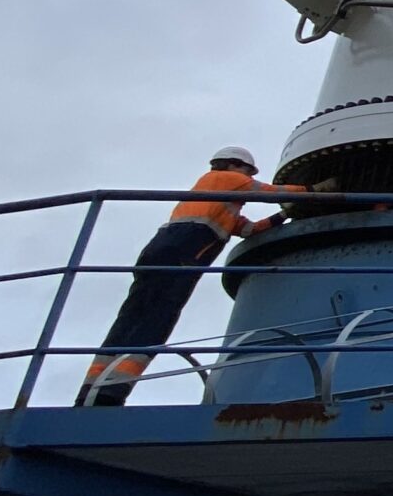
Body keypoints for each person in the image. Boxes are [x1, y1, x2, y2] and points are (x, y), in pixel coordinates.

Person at [79, 147, 310, 407]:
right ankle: (111, 394)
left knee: (132, 317)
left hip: (161, 249)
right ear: (234, 165)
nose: (248, 176)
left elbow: (248, 229)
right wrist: (312, 192)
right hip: (184, 251)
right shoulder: (227, 179)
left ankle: (90, 392)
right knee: (157, 320)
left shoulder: (216, 200)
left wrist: (284, 215)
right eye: (248, 171)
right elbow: (268, 192)